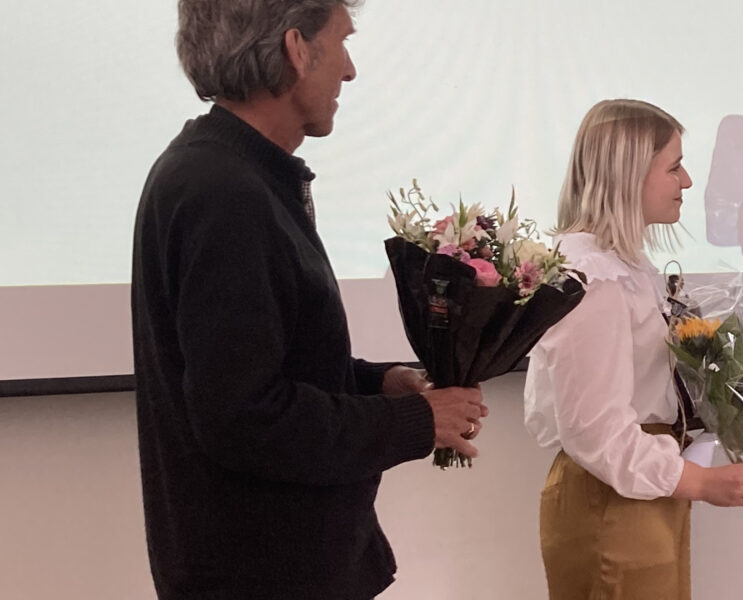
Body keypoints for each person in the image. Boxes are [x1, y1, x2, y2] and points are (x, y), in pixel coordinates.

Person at [132, 2, 488, 598]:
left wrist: (378, 384)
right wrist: (414, 422)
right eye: (342, 41)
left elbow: (265, 362)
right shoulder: (225, 193)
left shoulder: (231, 174)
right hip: (263, 573)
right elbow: (243, 417)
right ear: (297, 49)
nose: (349, 70)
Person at [525, 99, 743, 600]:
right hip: (611, 501)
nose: (687, 181)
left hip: (642, 496)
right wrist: (707, 484)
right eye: (674, 166)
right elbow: (596, 432)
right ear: (628, 175)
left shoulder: (626, 267)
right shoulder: (592, 276)